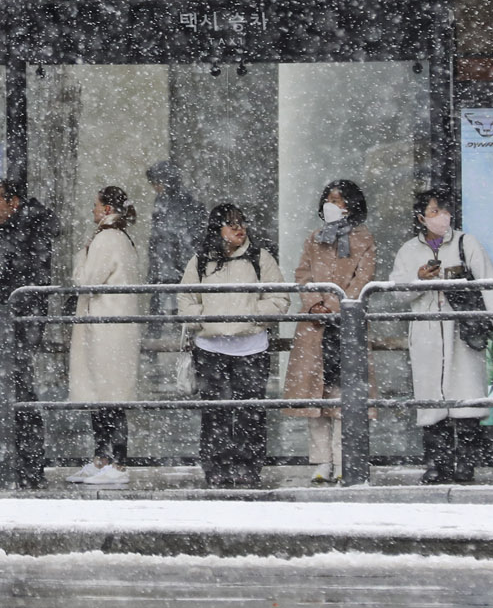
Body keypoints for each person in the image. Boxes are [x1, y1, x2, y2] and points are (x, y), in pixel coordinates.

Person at [391, 190, 493, 486]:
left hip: (462, 329)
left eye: (443, 210)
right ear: (420, 218)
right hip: (427, 331)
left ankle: (466, 464)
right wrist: (419, 280)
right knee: (431, 401)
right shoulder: (408, 250)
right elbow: (397, 292)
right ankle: (436, 463)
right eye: (432, 211)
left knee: (466, 398)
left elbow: (488, 280)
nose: (440, 216)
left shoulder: (466, 242)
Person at [178, 204, 289, 489]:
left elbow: (279, 299)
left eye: (242, 223)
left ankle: (248, 467)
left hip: (251, 348)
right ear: (217, 229)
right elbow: (186, 301)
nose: (240, 229)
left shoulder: (259, 257)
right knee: (215, 412)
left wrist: (250, 315)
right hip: (210, 347)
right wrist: (205, 320)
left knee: (250, 412)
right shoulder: (200, 260)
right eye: (231, 224)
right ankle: (216, 466)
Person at [284, 180, 379, 485]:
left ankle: (343, 460)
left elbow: (364, 277)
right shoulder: (314, 239)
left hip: (346, 325)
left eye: (339, 200)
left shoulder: (364, 239)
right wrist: (314, 304)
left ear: (352, 205)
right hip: (315, 327)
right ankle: (321, 461)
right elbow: (303, 274)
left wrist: (337, 305)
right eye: (329, 199)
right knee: (316, 400)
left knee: (343, 398)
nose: (333, 205)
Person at [65, 186, 143, 488]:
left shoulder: (107, 239)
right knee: (106, 396)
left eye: (96, 206)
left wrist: (80, 257)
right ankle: (103, 458)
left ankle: (116, 461)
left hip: (106, 328)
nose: (92, 211)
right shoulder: (120, 238)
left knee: (109, 396)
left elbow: (86, 280)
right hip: (110, 327)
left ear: (108, 209)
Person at [0, 178, 57, 487]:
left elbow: (21, 275)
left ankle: (25, 464)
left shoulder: (25, 230)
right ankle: (15, 462)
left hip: (18, 320)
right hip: (11, 319)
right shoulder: (17, 229)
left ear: (13, 203)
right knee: (10, 391)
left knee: (18, 391)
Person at [145, 161, 206, 318]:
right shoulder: (164, 200)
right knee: (163, 301)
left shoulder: (179, 201)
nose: (155, 187)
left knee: (173, 302)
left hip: (173, 261)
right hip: (167, 262)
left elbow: (181, 234)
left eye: (156, 182)